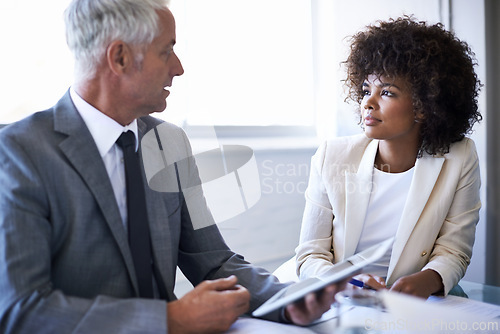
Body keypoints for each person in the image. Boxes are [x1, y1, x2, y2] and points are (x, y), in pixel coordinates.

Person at [0, 0, 343, 333]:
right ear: (119, 57)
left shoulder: (169, 142)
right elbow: (20, 310)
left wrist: (287, 300)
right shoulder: (20, 152)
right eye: (166, 51)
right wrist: (169, 321)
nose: (178, 67)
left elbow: (213, 261)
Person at [295, 16, 482, 299]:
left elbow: (454, 250)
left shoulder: (460, 156)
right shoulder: (331, 156)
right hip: (344, 299)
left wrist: (429, 279)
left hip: (422, 300)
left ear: (424, 106)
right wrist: (342, 283)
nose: (368, 103)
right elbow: (310, 254)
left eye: (387, 92)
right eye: (366, 90)